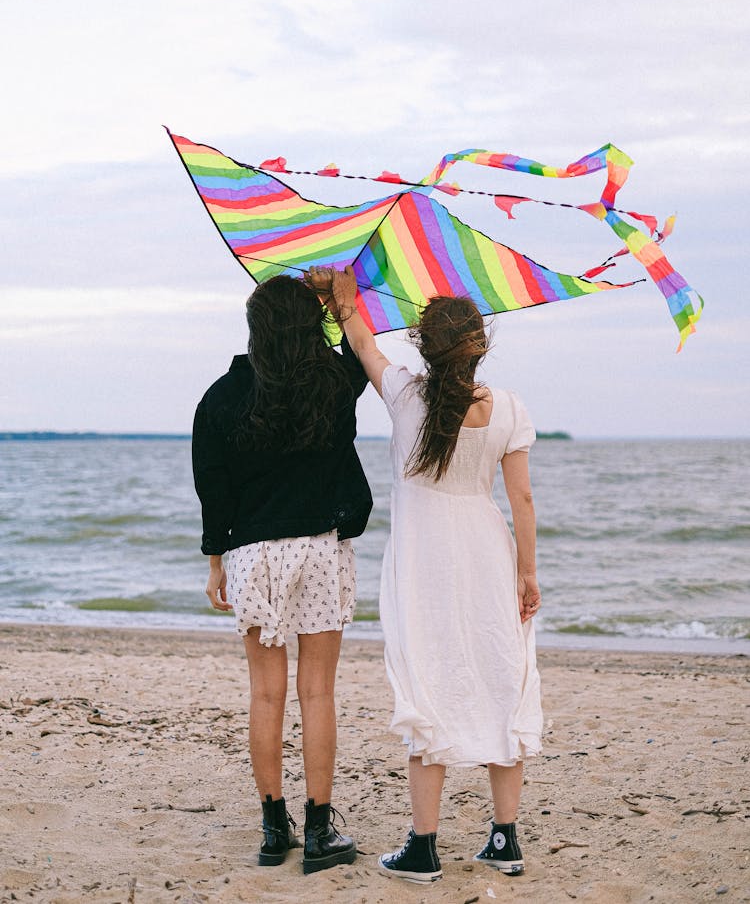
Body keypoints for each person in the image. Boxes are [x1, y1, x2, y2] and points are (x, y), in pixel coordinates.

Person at [328, 265, 543, 884]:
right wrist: (527, 573)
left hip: (423, 558)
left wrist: (343, 295)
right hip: (487, 551)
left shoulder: (405, 395)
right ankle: (504, 838)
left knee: (427, 682)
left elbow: (364, 342)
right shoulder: (508, 408)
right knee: (503, 678)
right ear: (481, 344)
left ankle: (423, 846)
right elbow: (522, 501)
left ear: (425, 344)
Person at [191, 275, 373, 874]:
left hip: (252, 557)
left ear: (255, 328)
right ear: (308, 324)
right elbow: (360, 357)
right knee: (318, 691)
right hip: (320, 547)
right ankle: (320, 834)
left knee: (265, 693)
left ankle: (275, 831)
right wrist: (340, 302)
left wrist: (215, 559)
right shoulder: (333, 386)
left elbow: (212, 489)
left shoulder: (220, 397)